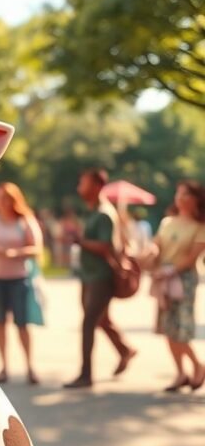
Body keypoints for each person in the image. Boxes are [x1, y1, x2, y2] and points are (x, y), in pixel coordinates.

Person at [64, 168, 137, 389]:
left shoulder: (104, 213)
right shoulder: (93, 211)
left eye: (83, 183)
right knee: (100, 318)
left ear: (96, 186)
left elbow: (106, 246)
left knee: (89, 323)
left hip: (101, 277)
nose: (79, 187)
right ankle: (125, 350)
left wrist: (80, 241)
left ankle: (86, 374)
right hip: (89, 275)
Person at [0, 182, 44, 384]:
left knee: (22, 324)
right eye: (1, 199)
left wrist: (15, 253)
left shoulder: (25, 221)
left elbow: (37, 248)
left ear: (15, 201)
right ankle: (4, 366)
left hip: (19, 279)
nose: (4, 203)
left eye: (8, 199)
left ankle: (30, 367)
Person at [144, 181, 205, 392]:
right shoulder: (167, 222)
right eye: (178, 194)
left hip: (184, 280)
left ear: (195, 199)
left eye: (185, 194)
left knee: (181, 328)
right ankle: (180, 372)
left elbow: (191, 258)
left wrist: (170, 271)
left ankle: (197, 366)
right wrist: (150, 252)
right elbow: (157, 244)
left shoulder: (199, 227)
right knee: (168, 328)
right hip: (164, 279)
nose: (179, 198)